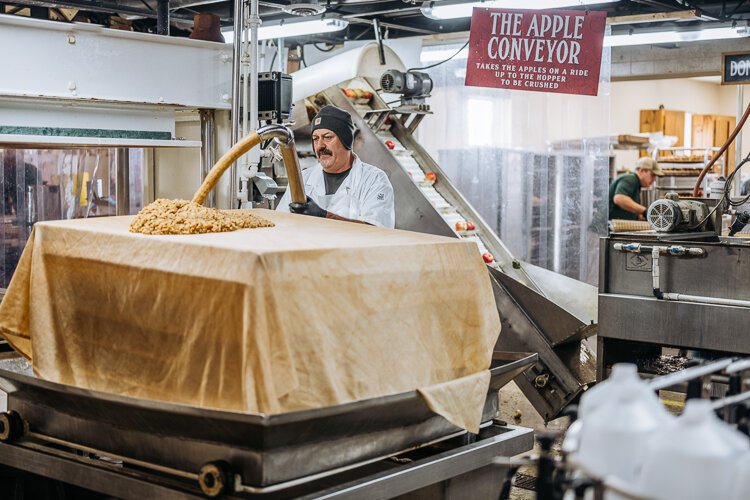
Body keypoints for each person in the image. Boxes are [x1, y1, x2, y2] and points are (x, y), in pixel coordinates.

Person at [276, 105, 395, 228]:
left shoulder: (374, 180)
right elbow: (280, 223)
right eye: (315, 139)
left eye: (327, 137)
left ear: (346, 140)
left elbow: (377, 231)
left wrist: (323, 216)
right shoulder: (302, 179)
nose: (320, 146)